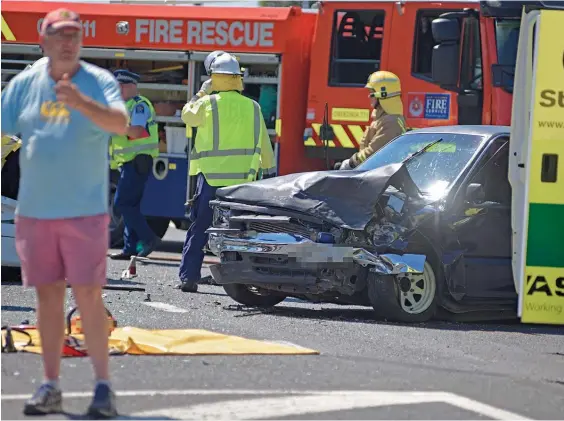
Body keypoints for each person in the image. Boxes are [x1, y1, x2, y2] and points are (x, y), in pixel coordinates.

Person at [0, 8, 129, 418]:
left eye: (75, 34)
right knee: (48, 298)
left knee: (88, 295)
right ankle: (51, 384)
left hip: (84, 212)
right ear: (43, 39)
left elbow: (120, 124)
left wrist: (81, 102)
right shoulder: (24, 85)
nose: (68, 42)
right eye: (59, 35)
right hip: (35, 211)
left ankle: (103, 387)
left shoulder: (98, 81)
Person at [178, 51, 276, 293]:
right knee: (239, 231)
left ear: (214, 78)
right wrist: (270, 176)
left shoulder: (206, 103)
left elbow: (186, 115)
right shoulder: (253, 107)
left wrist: (202, 91)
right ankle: (241, 281)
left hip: (211, 178)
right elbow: (265, 144)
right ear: (237, 78)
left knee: (200, 227)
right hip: (243, 183)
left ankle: (189, 277)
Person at [108, 69, 161, 260]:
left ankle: (149, 239)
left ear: (130, 86)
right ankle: (129, 248)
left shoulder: (139, 106)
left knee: (122, 203)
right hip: (130, 163)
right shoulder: (125, 105)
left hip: (138, 162)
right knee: (131, 205)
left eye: (120, 87)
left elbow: (137, 132)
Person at [338, 71, 407, 170]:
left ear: (383, 95)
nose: (369, 97)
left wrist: (351, 163)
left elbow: (375, 152)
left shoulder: (390, 122)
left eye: (371, 93)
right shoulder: (383, 119)